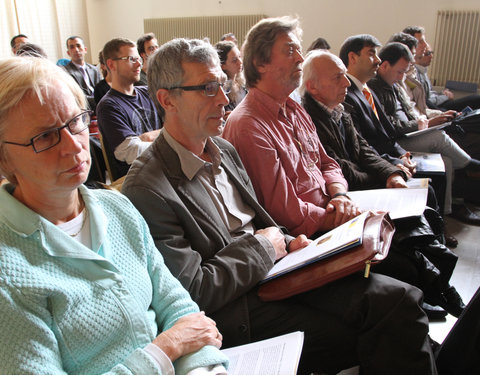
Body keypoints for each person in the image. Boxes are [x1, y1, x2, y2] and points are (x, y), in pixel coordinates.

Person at [125, 24, 439, 375]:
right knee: (383, 321)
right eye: (208, 89)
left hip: (280, 272)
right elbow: (193, 289)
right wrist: (266, 246)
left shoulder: (223, 150)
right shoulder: (148, 187)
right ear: (167, 99)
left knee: (400, 298)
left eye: (223, 86)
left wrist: (293, 242)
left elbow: (265, 221)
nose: (225, 100)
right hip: (240, 306)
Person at [0, 56, 227, 375]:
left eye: (75, 121)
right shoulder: (9, 272)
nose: (74, 146)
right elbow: (177, 337)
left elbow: (176, 305)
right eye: (46, 137)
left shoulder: (115, 207)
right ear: (3, 157)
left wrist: (204, 369)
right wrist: (165, 350)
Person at [368, 42, 480, 224]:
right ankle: (472, 166)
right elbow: (390, 126)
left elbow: (410, 112)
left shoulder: (394, 84)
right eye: (399, 71)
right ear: (385, 65)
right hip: (399, 140)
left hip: (411, 133)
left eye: (405, 71)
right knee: (438, 137)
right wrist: (426, 124)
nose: (402, 76)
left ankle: (447, 212)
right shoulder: (375, 88)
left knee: (447, 161)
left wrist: (431, 119)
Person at [96, 38, 163, 180]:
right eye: (131, 59)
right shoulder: (108, 106)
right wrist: (168, 138)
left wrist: (146, 137)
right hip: (138, 180)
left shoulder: (148, 92)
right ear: (111, 64)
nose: (139, 63)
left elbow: (177, 124)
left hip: (162, 169)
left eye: (138, 58)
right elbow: (131, 152)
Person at [403, 25, 480, 111]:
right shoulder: (409, 72)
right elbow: (424, 102)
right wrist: (445, 97)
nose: (425, 44)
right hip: (430, 109)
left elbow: (430, 94)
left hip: (435, 104)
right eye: (420, 42)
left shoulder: (421, 69)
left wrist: (441, 94)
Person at [63, 36, 101, 111]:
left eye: (78, 46)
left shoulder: (94, 69)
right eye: (72, 47)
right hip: (81, 108)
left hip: (99, 106)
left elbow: (100, 89)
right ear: (68, 53)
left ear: (85, 49)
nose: (76, 50)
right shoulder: (65, 71)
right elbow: (75, 96)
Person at [215, 41, 247, 114]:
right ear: (223, 66)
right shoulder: (222, 89)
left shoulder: (244, 81)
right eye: (234, 60)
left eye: (239, 56)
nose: (240, 62)